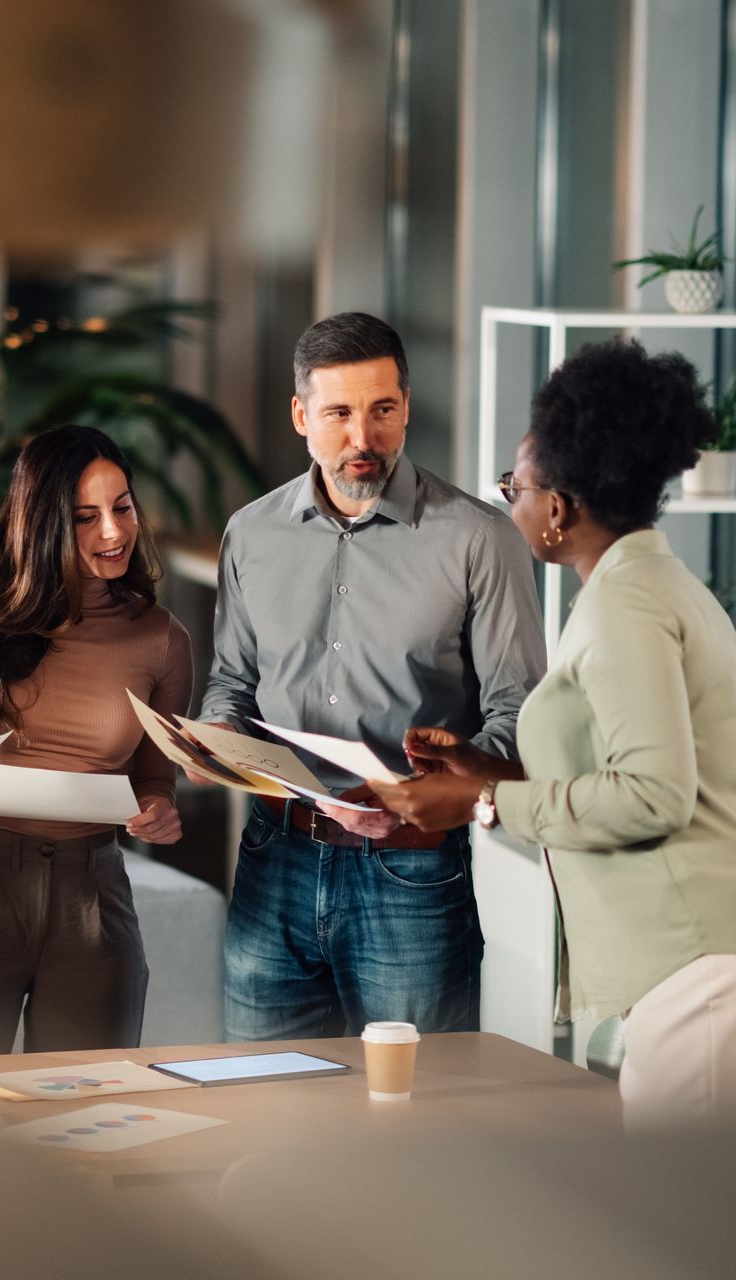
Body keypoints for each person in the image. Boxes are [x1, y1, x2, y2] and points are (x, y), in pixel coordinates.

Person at [367, 338, 736, 1128]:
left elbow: (653, 796)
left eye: (516, 488)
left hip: (704, 953)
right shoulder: (640, 586)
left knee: (683, 1230)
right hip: (702, 955)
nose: (511, 504)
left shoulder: (625, 608)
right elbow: (625, 767)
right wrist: (486, 770)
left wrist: (484, 806)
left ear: (560, 508)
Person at [193, 312, 546, 1041]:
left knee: (410, 1120)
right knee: (265, 1110)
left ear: (407, 406)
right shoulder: (250, 535)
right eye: (340, 414)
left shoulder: (480, 539)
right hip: (273, 861)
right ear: (300, 415)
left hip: (410, 877)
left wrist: (435, 789)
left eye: (383, 410)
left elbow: (520, 711)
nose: (364, 438)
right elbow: (232, 677)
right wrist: (218, 736)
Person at [0, 426, 190, 1054]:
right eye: (86, 517)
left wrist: (160, 810)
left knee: (85, 1118)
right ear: (41, 525)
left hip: (92, 889)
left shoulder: (162, 639)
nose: (114, 532)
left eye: (123, 507)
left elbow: (154, 778)